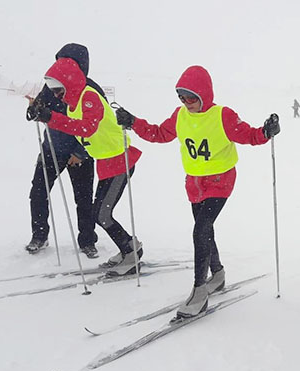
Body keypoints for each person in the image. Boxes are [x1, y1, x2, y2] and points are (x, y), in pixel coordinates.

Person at [115, 65, 279, 317]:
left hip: (220, 180)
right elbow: (159, 134)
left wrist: (266, 132)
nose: (187, 102)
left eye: (191, 97)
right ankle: (218, 273)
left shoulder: (222, 115)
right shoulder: (180, 116)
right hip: (195, 183)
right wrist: (133, 122)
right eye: (181, 97)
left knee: (200, 229)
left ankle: (199, 291)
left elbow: (248, 135)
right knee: (205, 229)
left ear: (204, 94)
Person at [27, 56, 143, 276]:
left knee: (101, 214)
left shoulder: (89, 96)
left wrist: (51, 118)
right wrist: (42, 113)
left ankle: (131, 252)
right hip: (107, 163)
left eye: (58, 88)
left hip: (120, 161)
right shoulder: (73, 103)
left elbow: (87, 128)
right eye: (52, 88)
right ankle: (129, 248)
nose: (55, 93)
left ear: (70, 82)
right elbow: (77, 128)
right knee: (99, 213)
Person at [25, 44, 100, 258]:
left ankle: (87, 240)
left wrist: (80, 153)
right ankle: (39, 235)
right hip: (52, 149)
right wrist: (34, 109)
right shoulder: (51, 87)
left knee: (84, 198)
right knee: (38, 192)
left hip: (81, 153)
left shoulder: (91, 91)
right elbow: (41, 108)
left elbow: (96, 128)